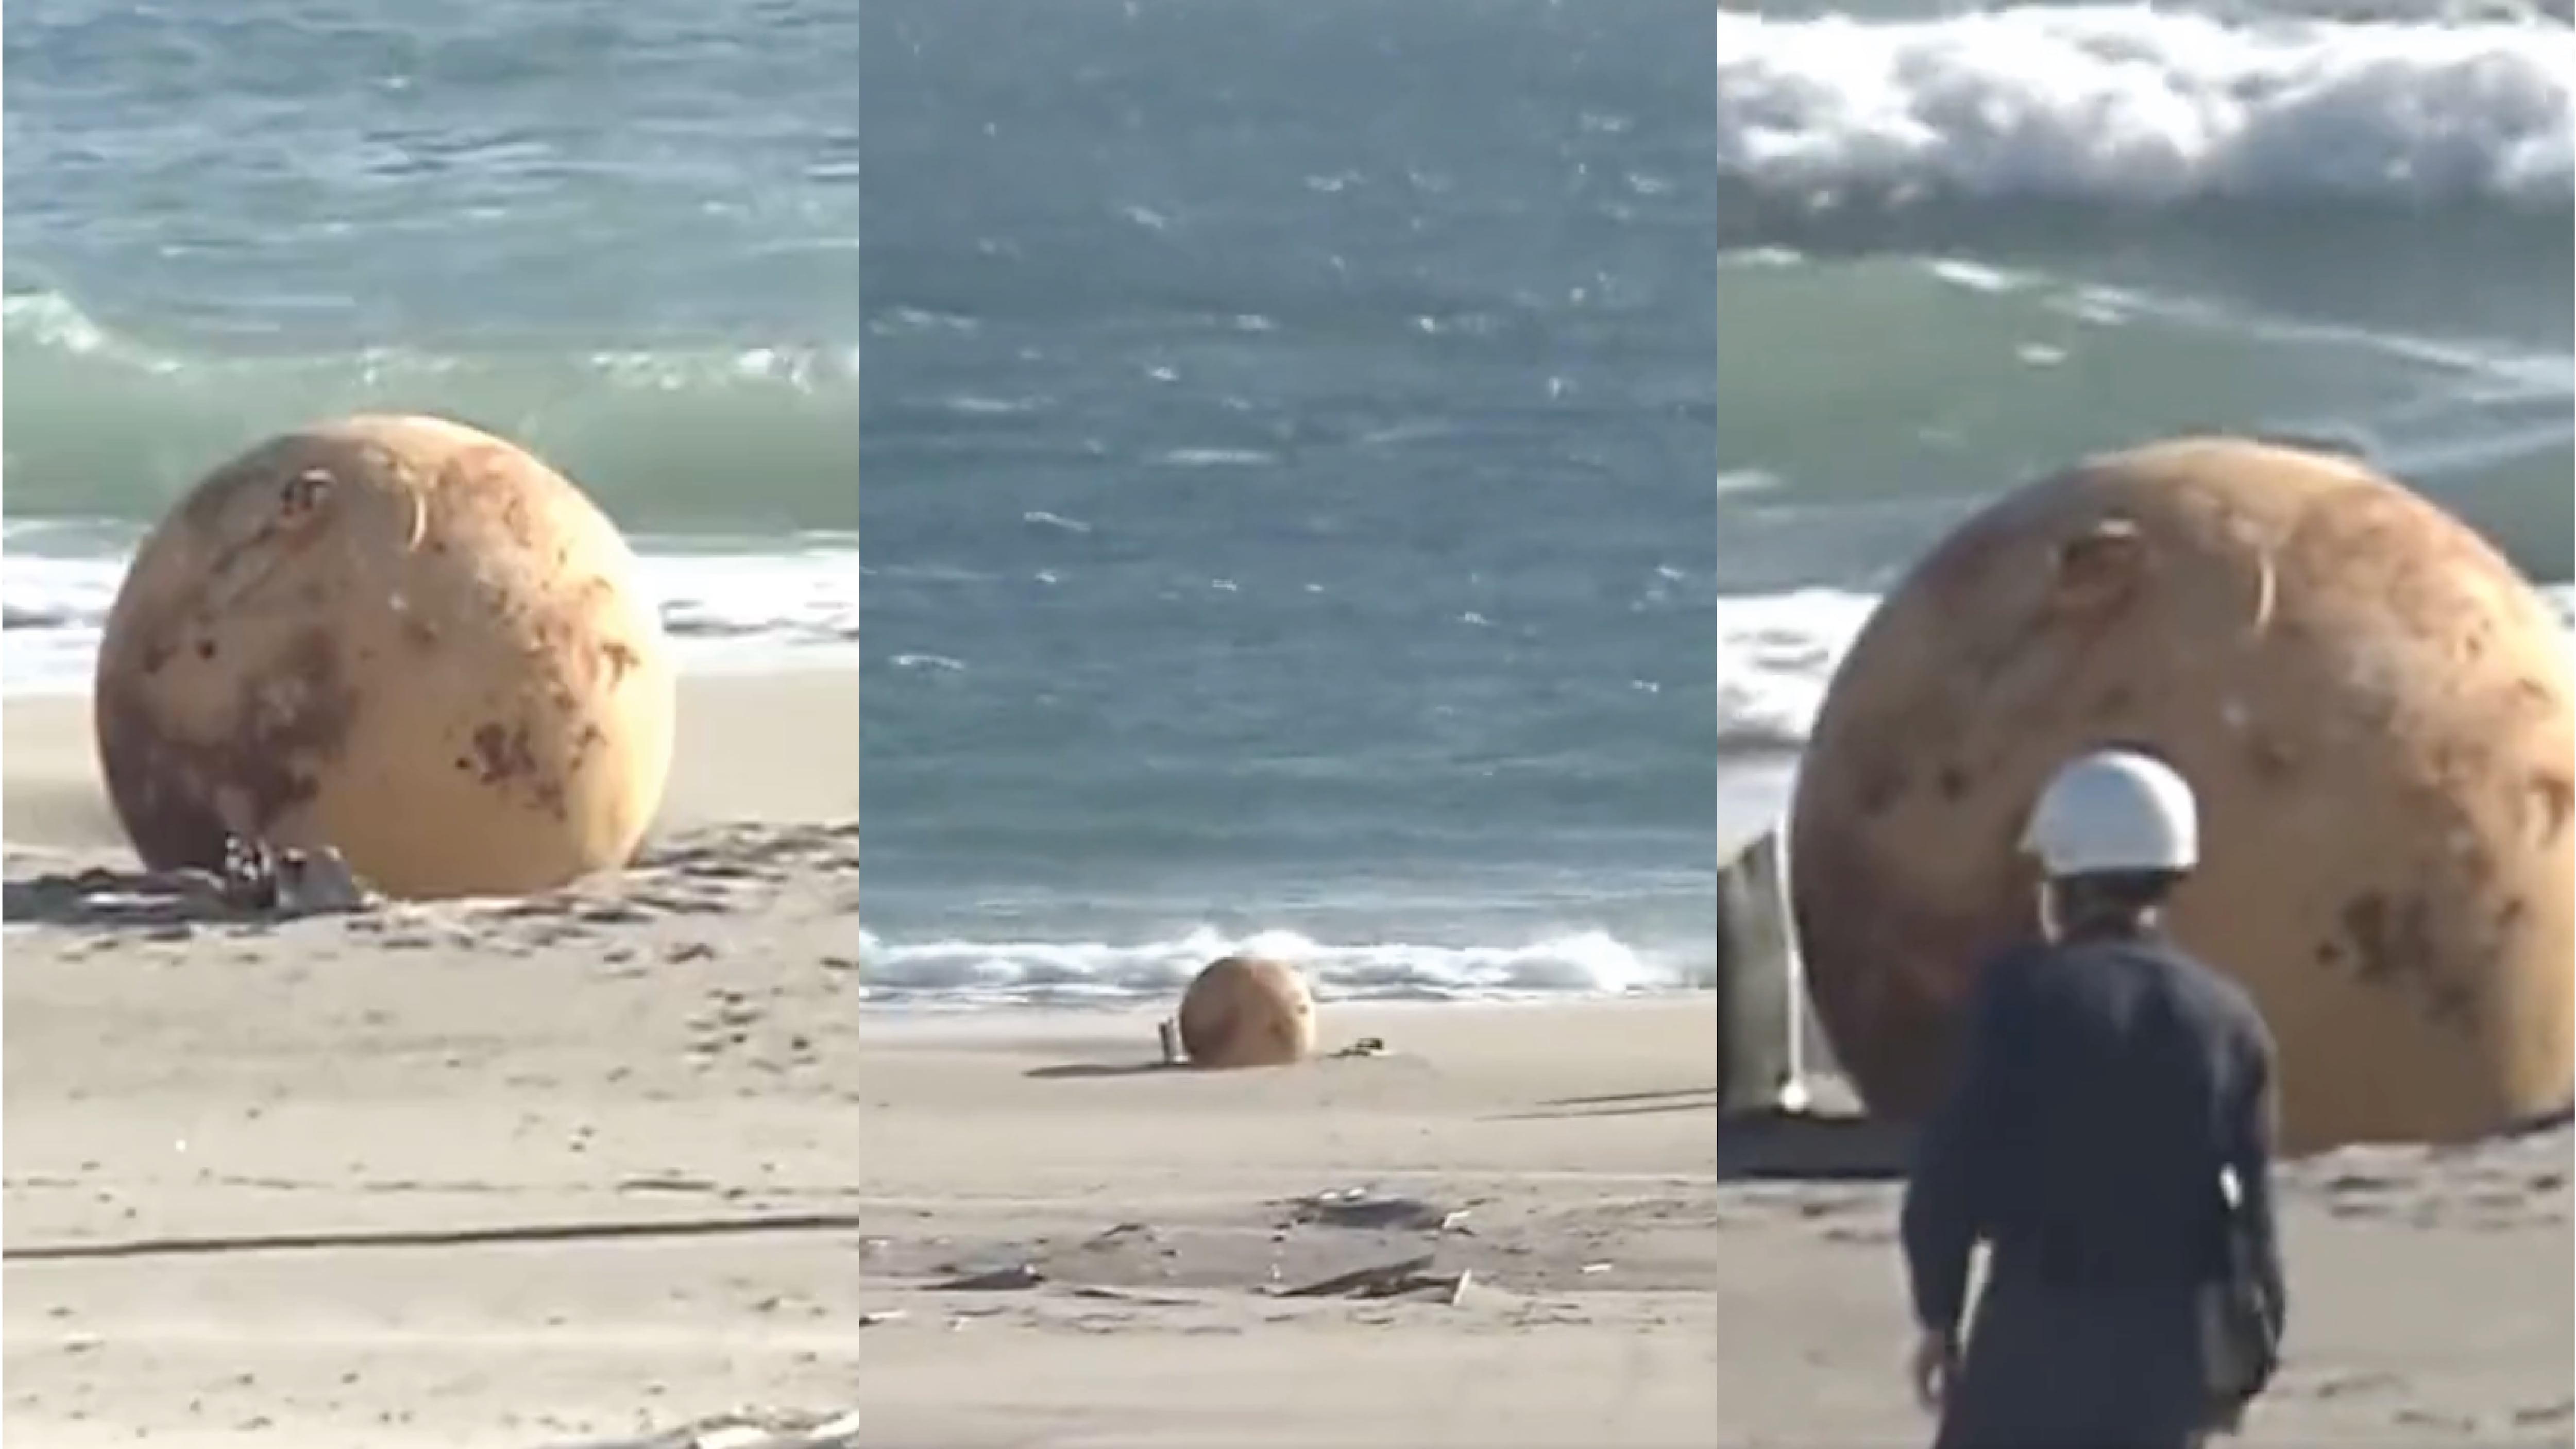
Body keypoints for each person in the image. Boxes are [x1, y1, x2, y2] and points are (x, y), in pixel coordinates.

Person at [1898, 747, 2286, 1449]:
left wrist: (1939, 1315)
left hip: (2036, 1329)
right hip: (2169, 1349)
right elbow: (2251, 1215)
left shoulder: (2020, 999)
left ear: (2062, 879)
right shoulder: (2228, 1017)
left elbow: (1948, 1178)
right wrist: (2247, 1353)